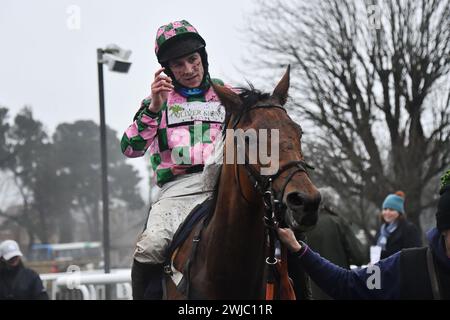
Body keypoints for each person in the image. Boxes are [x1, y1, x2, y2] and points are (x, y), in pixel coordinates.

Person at [120, 20, 228, 299]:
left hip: (226, 183)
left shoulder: (227, 94)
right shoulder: (157, 102)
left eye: (193, 59)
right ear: (167, 69)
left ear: (203, 57)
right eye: (178, 64)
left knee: (281, 229)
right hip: (179, 190)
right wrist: (154, 108)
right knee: (151, 246)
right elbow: (131, 148)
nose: (189, 69)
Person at [277, 170, 450, 299]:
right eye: (386, 209)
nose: (388, 213)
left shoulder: (408, 232)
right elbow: (348, 282)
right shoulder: (407, 265)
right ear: (444, 230)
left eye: (392, 210)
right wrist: (300, 250)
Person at [304, 187, 367, 299]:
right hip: (338, 289)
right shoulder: (338, 223)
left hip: (311, 292)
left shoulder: (304, 225)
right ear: (331, 203)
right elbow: (359, 257)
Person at [374, 191, 422, 260]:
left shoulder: (409, 229)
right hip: (381, 269)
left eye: (391, 209)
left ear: (399, 212)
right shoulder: (381, 230)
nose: (387, 212)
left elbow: (415, 254)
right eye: (385, 209)